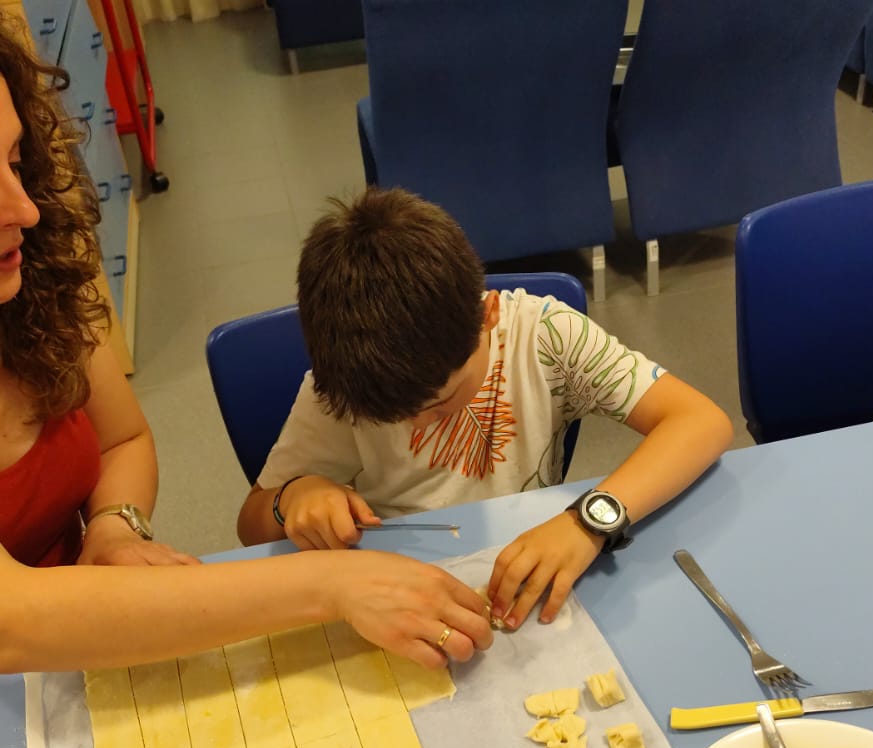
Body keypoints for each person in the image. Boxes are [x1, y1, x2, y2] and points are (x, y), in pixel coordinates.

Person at [0, 21, 491, 674]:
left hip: (84, 640)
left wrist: (116, 527)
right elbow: (17, 622)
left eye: (11, 161)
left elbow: (121, 440)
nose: (25, 210)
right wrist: (335, 584)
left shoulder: (33, 288)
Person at [238, 188, 734, 627]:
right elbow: (251, 524)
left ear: (487, 316)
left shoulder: (545, 336)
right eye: (391, 417)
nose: (418, 424)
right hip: (395, 585)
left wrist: (587, 523)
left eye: (442, 402)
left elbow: (700, 422)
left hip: (529, 561)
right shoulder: (343, 387)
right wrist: (296, 496)